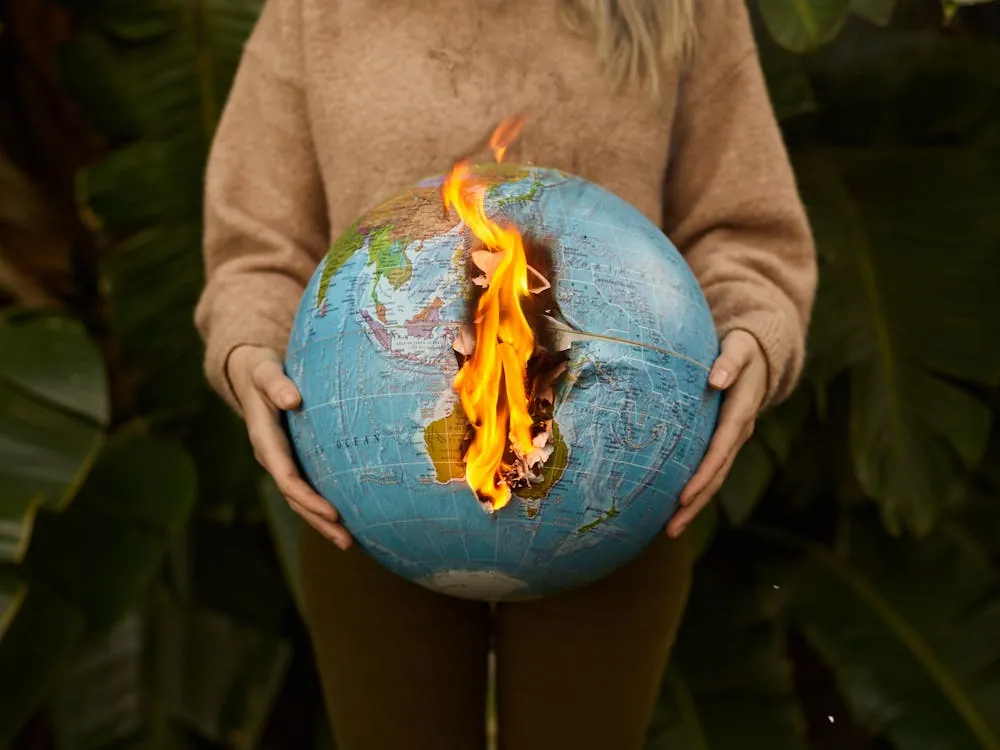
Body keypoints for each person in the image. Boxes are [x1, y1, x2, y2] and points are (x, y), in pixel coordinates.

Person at [194, 0, 817, 746]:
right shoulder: (315, 12)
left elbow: (743, 231)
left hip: (612, 479)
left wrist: (755, 330)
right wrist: (245, 349)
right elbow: (258, 249)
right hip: (370, 481)